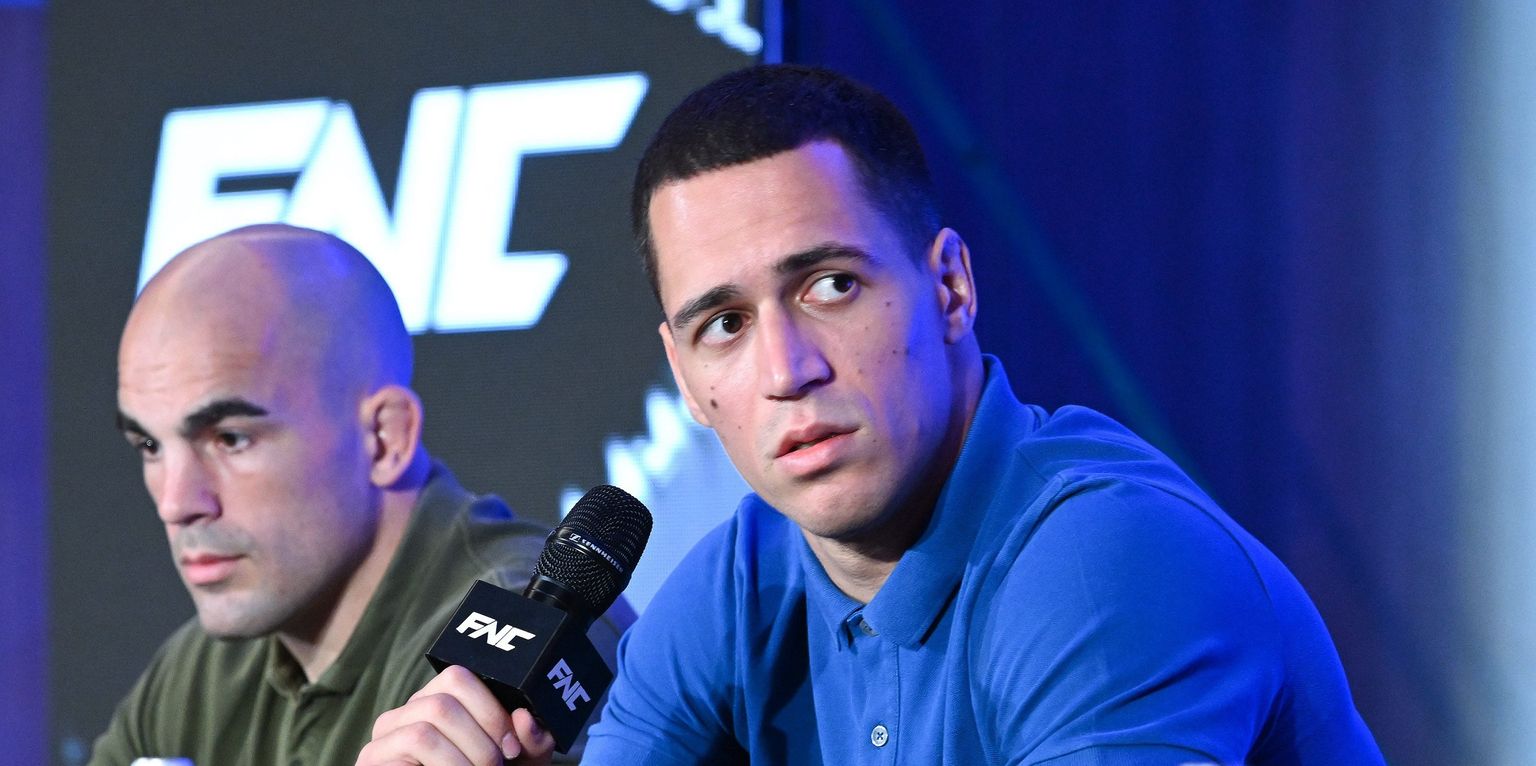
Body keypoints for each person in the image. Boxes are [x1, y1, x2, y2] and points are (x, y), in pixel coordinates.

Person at [365, 64, 1387, 765]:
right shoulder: (739, 584)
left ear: (950, 288)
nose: (787, 369)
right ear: (685, 375)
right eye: (724, 324)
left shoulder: (1104, 561)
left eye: (830, 287)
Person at [93, 224, 620, 765]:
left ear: (383, 438)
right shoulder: (198, 674)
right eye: (149, 446)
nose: (176, 503)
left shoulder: (521, 634)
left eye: (230, 439)